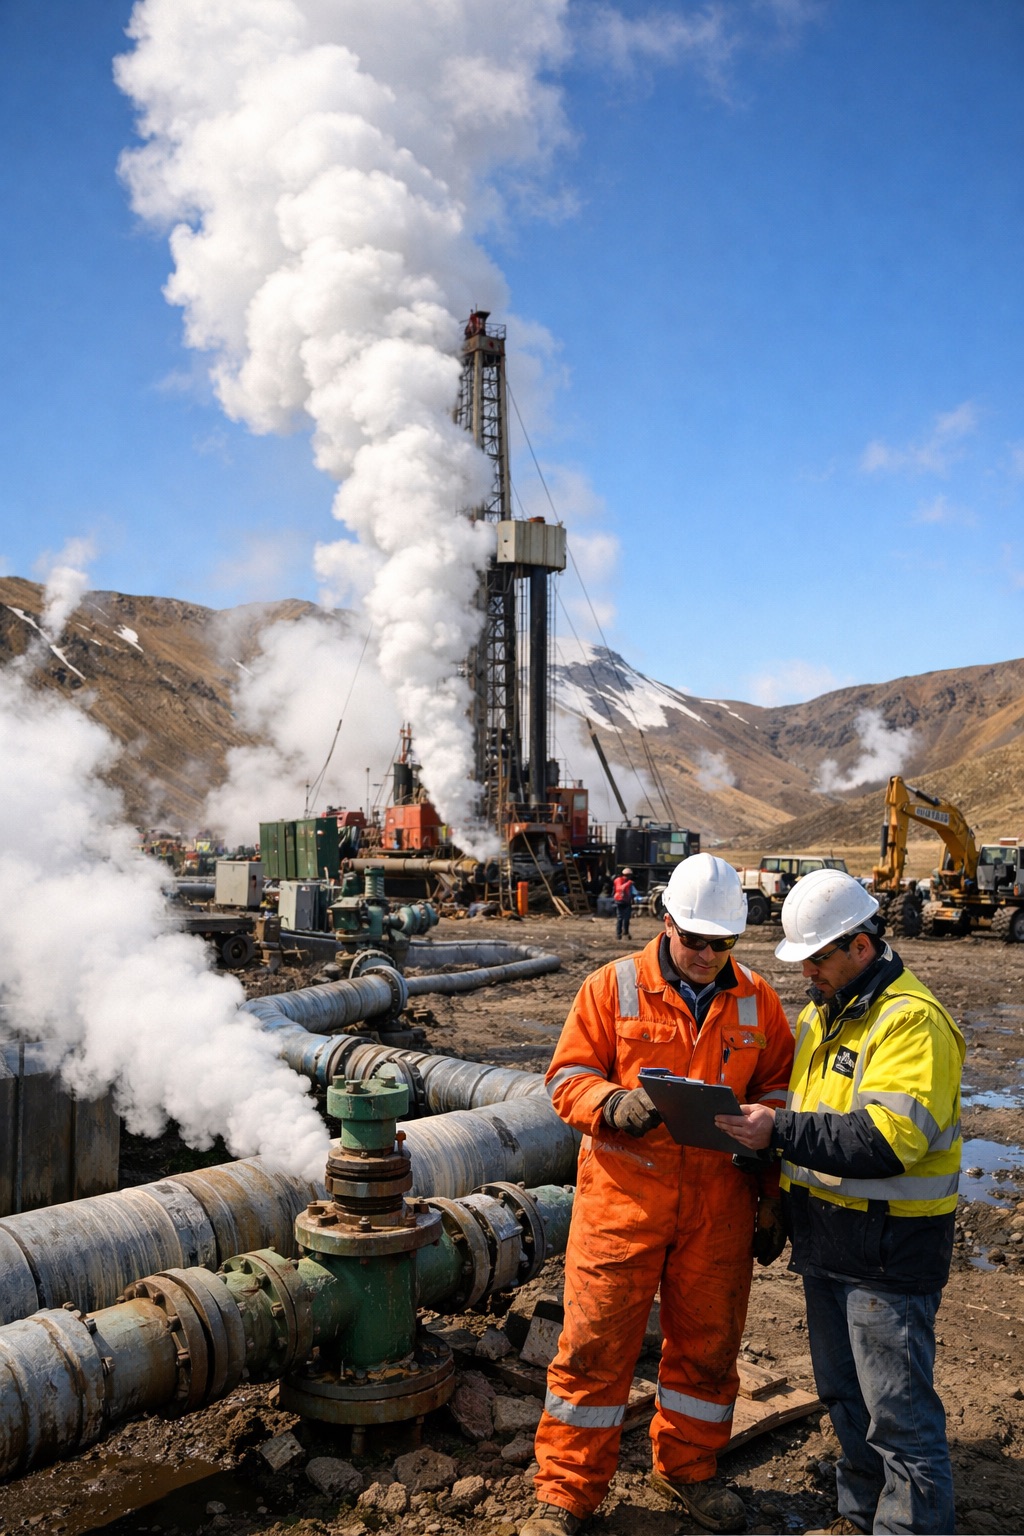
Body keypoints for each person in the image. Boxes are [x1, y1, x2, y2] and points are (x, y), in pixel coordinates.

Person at [523, 853, 795, 1536]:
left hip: (719, 1206)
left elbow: (779, 1096)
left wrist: (771, 1197)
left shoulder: (758, 1000)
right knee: (593, 1349)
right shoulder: (611, 988)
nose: (707, 955)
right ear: (665, 921)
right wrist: (612, 1104)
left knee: (707, 1350)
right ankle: (566, 1493)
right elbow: (566, 1079)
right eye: (695, 939)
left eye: (722, 943)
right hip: (623, 1203)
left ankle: (687, 1471)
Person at [717, 869, 964, 1536]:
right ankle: (860, 1517)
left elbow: (889, 1140)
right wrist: (770, 1175)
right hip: (827, 1243)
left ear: (860, 945)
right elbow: (810, 1120)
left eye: (817, 959)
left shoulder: (911, 1023)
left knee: (900, 1419)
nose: (807, 975)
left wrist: (780, 1131)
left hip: (888, 1254)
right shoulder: (823, 1015)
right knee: (846, 1401)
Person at [612, 866, 637, 939]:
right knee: (621, 918)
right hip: (621, 901)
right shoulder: (619, 880)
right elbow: (620, 888)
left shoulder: (626, 882)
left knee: (626, 918)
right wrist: (628, 883)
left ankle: (625, 933)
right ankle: (619, 934)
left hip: (626, 901)